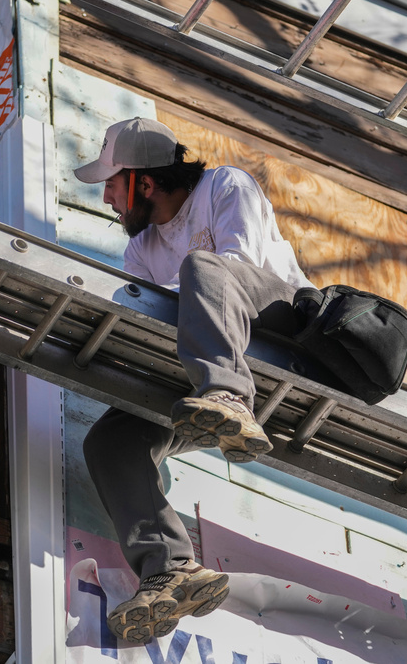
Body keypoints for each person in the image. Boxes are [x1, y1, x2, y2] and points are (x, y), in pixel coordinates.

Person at [74, 118, 315, 644]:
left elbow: (238, 268)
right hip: (200, 368)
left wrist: (218, 385)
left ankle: (230, 394)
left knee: (204, 268)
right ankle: (169, 569)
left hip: (278, 332)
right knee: (111, 441)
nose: (109, 197)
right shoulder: (142, 248)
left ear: (145, 180)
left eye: (113, 183)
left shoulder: (224, 186)